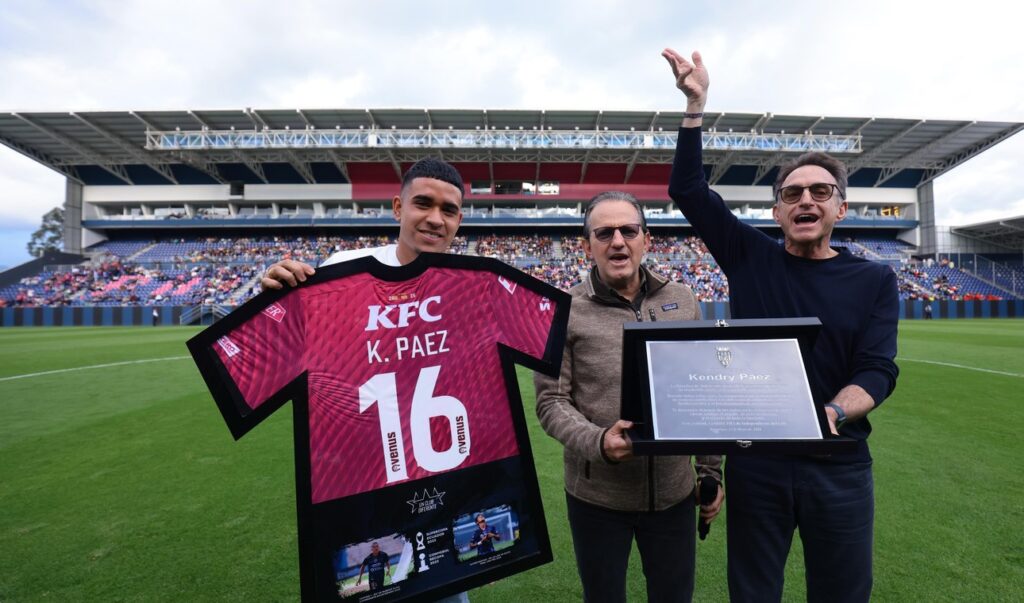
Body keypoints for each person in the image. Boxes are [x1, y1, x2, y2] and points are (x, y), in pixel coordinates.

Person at [662, 48, 900, 603]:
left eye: (820, 192)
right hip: (760, 464)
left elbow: (878, 368)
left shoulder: (874, 281)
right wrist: (696, 107)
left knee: (841, 593)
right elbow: (688, 192)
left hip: (837, 464)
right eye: (791, 193)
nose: (805, 200)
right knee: (753, 593)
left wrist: (833, 412)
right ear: (776, 213)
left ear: (841, 208)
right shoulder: (750, 256)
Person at [262, 157, 470, 603]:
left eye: (448, 210)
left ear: (459, 220)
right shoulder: (344, 271)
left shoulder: (467, 289)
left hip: (434, 489)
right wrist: (273, 303)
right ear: (398, 208)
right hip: (360, 487)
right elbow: (281, 362)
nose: (435, 219)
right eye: (423, 203)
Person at [533, 191, 724, 603]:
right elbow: (551, 402)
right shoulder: (560, 310)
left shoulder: (684, 299)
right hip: (597, 497)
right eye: (604, 233)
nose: (617, 241)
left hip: (674, 492)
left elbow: (705, 385)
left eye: (628, 230)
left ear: (646, 239)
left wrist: (710, 472)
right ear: (586, 246)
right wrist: (599, 442)